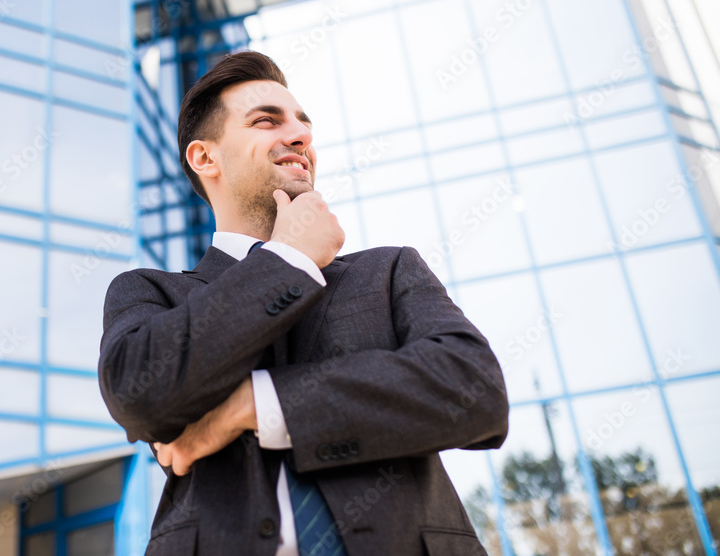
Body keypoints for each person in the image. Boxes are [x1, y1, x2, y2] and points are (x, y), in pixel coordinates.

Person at [98, 51, 509, 555]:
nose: (300, 136)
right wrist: (288, 259)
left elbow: (475, 391)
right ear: (205, 158)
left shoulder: (388, 271)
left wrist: (254, 405)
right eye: (266, 121)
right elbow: (139, 393)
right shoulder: (149, 291)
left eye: (302, 123)